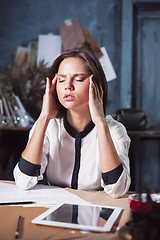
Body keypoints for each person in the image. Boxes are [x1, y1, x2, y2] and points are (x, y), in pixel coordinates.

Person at [13, 49, 131, 198]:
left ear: (97, 85)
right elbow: (24, 181)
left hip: (96, 212)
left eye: (79, 79)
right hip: (52, 210)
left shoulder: (115, 130)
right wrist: (43, 117)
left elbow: (117, 190)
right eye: (61, 80)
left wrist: (101, 123)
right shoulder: (48, 126)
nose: (68, 86)